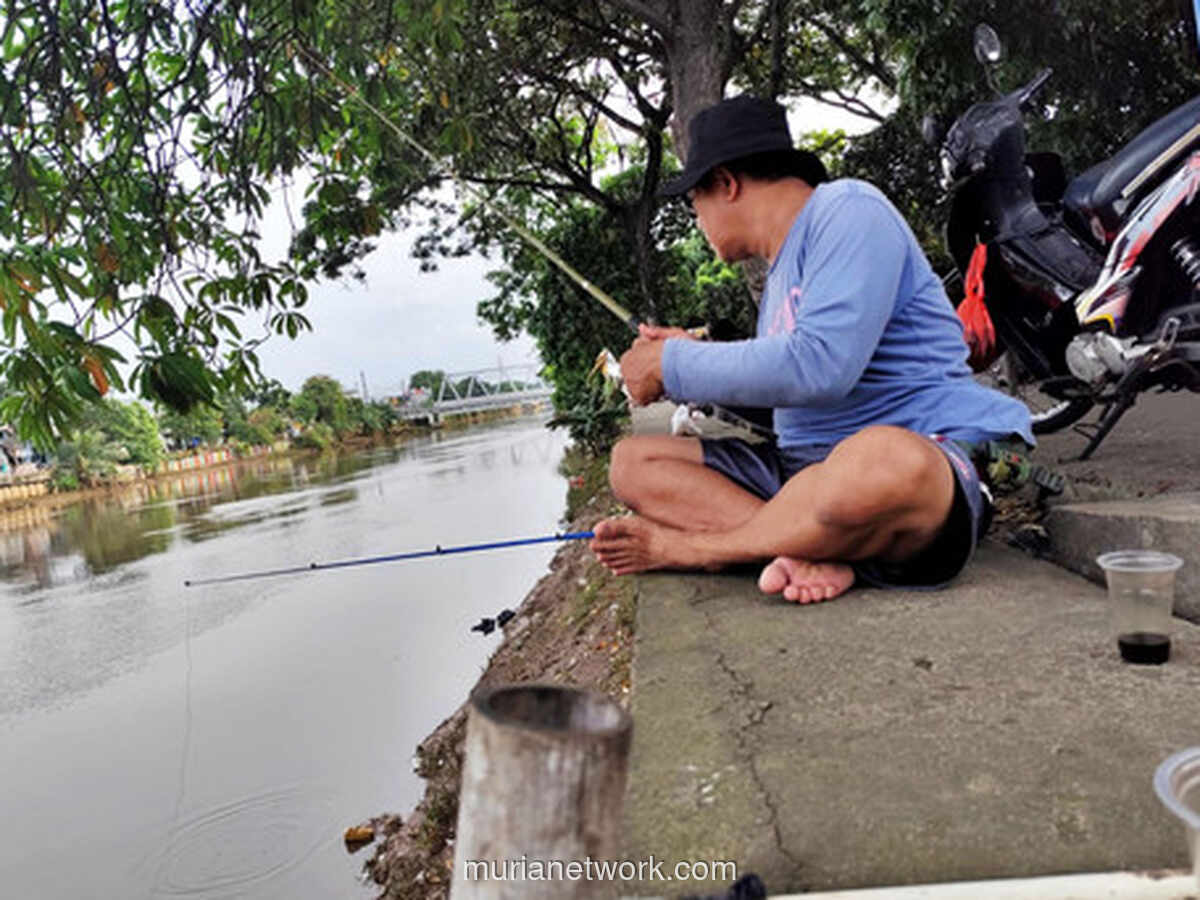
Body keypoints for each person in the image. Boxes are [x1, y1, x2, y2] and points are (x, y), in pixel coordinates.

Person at [589, 95, 1033, 602]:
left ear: (726, 184)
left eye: (695, 205)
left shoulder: (848, 210)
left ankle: (706, 549)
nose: (698, 221)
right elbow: (787, 398)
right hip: (803, 475)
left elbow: (822, 367)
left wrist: (673, 364)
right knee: (632, 464)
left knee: (883, 459)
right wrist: (692, 356)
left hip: (910, 454)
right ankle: (809, 549)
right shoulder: (778, 277)